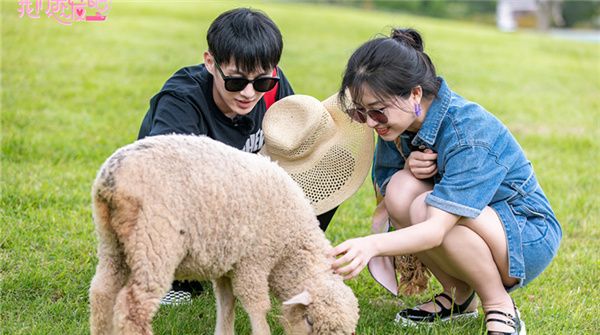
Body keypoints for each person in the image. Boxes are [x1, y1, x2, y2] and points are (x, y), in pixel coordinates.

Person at [329, 28, 562, 335]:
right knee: (401, 190)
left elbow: (436, 227)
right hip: (477, 225)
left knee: (430, 209)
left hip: (524, 235)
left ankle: (499, 304)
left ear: (414, 94)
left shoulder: (468, 133)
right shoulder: (398, 122)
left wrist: (371, 245)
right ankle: (459, 299)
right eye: (362, 113)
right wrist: (408, 166)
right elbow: (388, 187)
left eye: (377, 112)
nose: (371, 123)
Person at [137, 7, 295, 305]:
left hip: (240, 201)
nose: (249, 93)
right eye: (235, 81)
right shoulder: (182, 100)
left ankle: (274, 264)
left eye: (262, 81)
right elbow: (164, 175)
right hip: (186, 202)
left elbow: (296, 141)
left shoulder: (274, 88)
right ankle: (176, 274)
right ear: (210, 62)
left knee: (318, 170)